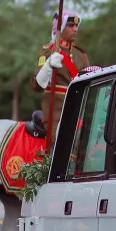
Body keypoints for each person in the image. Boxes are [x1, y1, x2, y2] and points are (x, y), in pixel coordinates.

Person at [31, 10, 90, 140]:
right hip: (55, 114)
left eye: (76, 26)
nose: (75, 29)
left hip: (78, 111)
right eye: (70, 25)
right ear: (61, 27)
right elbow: (37, 86)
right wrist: (48, 65)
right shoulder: (49, 50)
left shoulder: (81, 55)